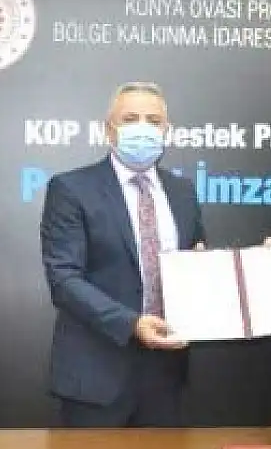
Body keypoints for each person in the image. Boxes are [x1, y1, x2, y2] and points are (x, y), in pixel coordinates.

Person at [39, 81, 205, 427]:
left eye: (153, 121)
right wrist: (132, 324)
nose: (143, 128)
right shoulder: (71, 188)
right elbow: (64, 279)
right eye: (130, 119)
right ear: (108, 130)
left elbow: (196, 261)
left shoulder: (183, 191)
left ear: (167, 131)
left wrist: (254, 266)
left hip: (165, 375)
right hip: (96, 373)